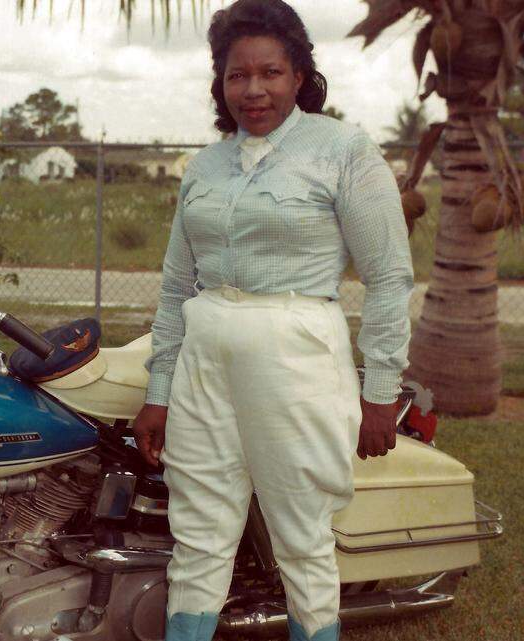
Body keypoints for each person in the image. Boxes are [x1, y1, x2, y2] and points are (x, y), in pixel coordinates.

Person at [131, 2, 414, 641]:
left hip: (298, 357)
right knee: (198, 531)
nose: (254, 90)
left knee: (301, 533)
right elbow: (178, 286)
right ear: (220, 82)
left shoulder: (343, 149)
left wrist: (379, 393)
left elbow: (390, 277)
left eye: (271, 73)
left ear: (299, 75)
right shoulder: (204, 167)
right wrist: (158, 393)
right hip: (205, 359)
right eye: (237, 75)